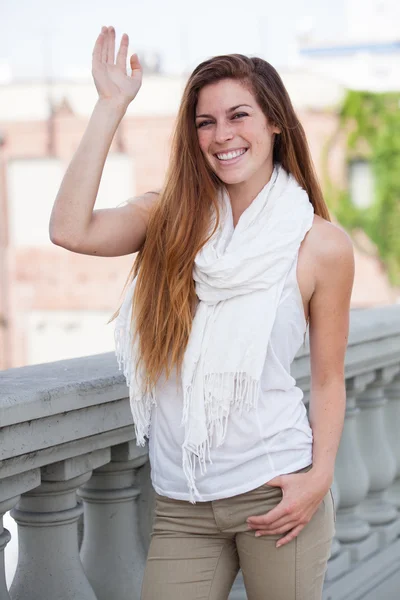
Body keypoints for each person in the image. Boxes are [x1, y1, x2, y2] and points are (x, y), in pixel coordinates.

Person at [49, 25, 355, 600]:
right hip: (182, 501)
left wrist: (318, 479)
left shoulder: (320, 245)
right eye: (205, 122)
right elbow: (70, 229)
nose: (222, 136)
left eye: (239, 116)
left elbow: (327, 377)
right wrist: (110, 105)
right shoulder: (166, 217)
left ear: (275, 124)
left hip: (277, 492)